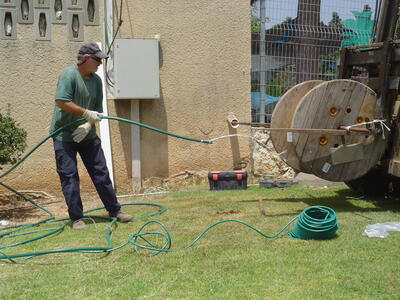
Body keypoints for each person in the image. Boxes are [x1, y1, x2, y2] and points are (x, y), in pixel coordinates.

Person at [50, 42, 132, 230]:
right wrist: (86, 113)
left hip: (88, 135)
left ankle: (115, 210)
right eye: (97, 60)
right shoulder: (68, 75)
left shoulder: (96, 81)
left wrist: (88, 124)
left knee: (100, 172)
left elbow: (98, 111)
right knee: (69, 176)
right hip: (64, 136)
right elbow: (61, 102)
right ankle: (77, 218)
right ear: (86, 59)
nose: (100, 64)